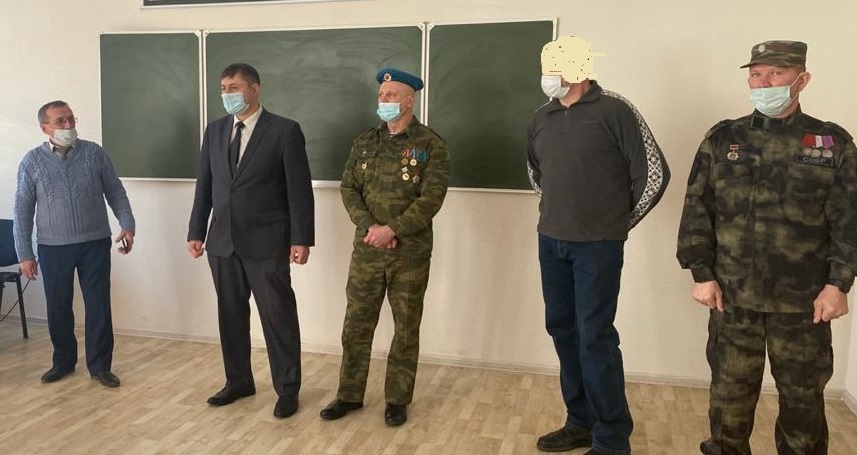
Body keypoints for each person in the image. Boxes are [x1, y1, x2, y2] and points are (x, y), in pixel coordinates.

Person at [677, 40, 856, 455]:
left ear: (801, 80)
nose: (763, 83)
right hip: (733, 297)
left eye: (775, 74)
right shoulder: (724, 139)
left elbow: (849, 219)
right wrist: (701, 273)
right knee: (729, 399)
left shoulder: (830, 143)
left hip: (803, 302)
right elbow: (698, 209)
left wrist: (838, 284)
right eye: (756, 74)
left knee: (802, 404)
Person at [527, 36, 670, 455]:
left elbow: (654, 175)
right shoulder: (540, 117)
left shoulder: (615, 109)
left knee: (595, 337)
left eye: (553, 66)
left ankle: (611, 438)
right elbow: (536, 173)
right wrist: (562, 212)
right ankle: (579, 422)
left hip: (598, 247)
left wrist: (616, 225)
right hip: (551, 242)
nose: (546, 75)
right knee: (562, 330)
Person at [319, 67, 450, 427]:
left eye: (391, 95)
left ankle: (397, 400)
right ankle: (349, 394)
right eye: (381, 95)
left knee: (405, 329)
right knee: (356, 324)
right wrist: (371, 228)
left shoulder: (430, 144)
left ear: (409, 100)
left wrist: (392, 229)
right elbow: (349, 188)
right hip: (367, 250)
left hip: (409, 253)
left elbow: (431, 198)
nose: (383, 100)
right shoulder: (365, 141)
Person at [187, 63, 315, 419]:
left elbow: (299, 190)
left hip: (267, 242)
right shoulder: (215, 131)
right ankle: (238, 381)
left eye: (235, 87)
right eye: (224, 88)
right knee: (230, 315)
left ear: (255, 89)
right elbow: (205, 185)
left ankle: (287, 389)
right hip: (222, 242)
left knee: (278, 317)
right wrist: (196, 231)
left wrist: (301, 239)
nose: (228, 94)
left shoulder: (285, 131)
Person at [14, 100, 135, 388]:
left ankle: (100, 366)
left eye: (71, 119)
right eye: (60, 121)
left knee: (99, 306)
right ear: (45, 128)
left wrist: (128, 225)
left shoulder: (94, 153)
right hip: (53, 247)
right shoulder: (31, 162)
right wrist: (25, 254)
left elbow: (116, 192)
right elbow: (22, 210)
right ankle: (63, 362)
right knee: (58, 306)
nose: (68, 125)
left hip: (95, 242)